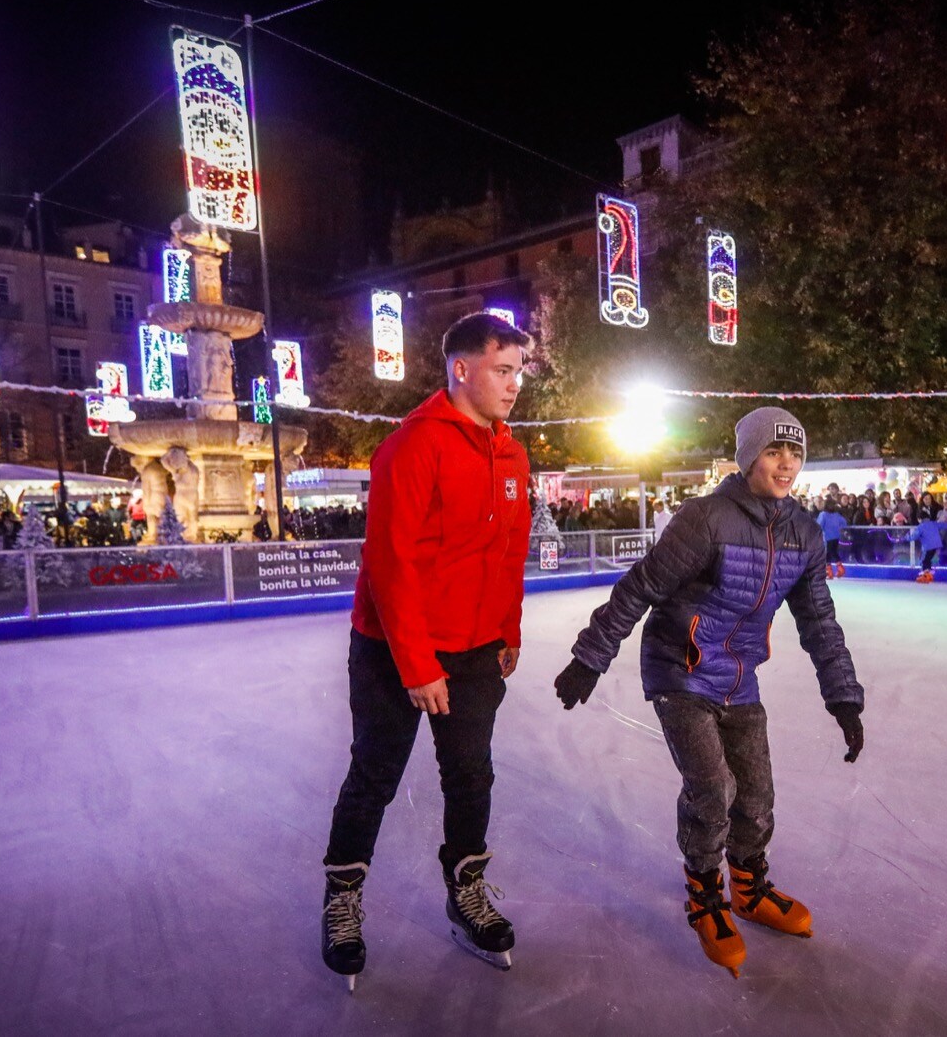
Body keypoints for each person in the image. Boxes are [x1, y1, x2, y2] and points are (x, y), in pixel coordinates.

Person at [551, 407, 863, 978]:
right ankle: (704, 892)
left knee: (757, 795)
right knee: (713, 788)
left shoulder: (804, 533)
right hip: (680, 669)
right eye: (773, 451)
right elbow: (641, 585)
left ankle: (749, 885)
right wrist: (589, 658)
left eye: (794, 453)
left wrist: (843, 696)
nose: (786, 463)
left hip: (739, 675)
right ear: (749, 458)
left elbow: (818, 620)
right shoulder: (705, 519)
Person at [320, 313, 532, 987]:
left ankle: (466, 890)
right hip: (394, 648)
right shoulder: (412, 447)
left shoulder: (511, 452)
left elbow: (508, 553)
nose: (515, 383)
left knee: (471, 775)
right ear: (462, 368)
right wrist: (416, 665)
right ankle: (343, 898)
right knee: (375, 775)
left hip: (476, 648)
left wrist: (509, 629)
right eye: (504, 369)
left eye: (519, 370)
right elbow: (390, 564)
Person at [818, 500, 848, 579]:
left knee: (829, 554)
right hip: (836, 537)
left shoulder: (823, 515)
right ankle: (835, 569)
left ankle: (832, 571)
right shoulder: (837, 515)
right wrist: (838, 528)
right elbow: (844, 523)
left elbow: (819, 525)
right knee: (832, 552)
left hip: (827, 537)